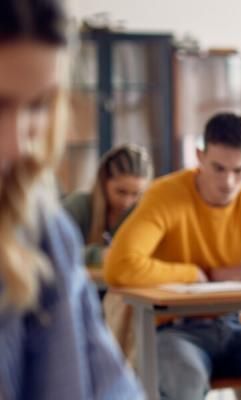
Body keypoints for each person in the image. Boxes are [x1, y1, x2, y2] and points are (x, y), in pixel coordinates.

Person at [0, 0, 141, 398]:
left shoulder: (40, 229)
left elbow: (107, 383)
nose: (17, 143)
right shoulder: (72, 212)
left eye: (38, 106)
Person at [104, 112, 241, 399]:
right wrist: (194, 274)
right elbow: (118, 266)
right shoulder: (165, 195)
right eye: (218, 168)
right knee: (185, 378)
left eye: (239, 170)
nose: (229, 182)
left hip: (238, 324)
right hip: (175, 330)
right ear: (199, 157)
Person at [62, 144, 153, 268]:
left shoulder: (145, 213)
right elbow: (52, 251)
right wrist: (98, 255)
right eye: (121, 192)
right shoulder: (78, 206)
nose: (127, 202)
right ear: (104, 182)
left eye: (136, 194)